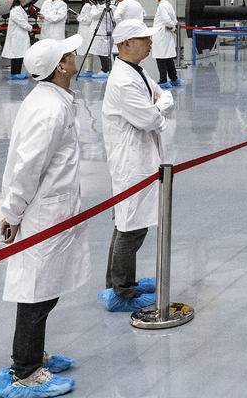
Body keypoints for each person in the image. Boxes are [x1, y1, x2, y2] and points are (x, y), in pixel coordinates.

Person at [0, 35, 91, 398]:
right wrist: (12, 212)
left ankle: (32, 354)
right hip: (43, 212)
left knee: (46, 289)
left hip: (53, 209)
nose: (75, 55)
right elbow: (27, 167)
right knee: (36, 293)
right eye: (69, 54)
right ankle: (26, 370)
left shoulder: (52, 99)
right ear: (60, 67)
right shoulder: (50, 110)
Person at [99, 19, 173, 312]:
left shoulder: (136, 71)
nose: (150, 43)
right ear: (127, 44)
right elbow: (150, 119)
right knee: (131, 226)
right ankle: (122, 291)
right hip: (131, 162)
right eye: (144, 39)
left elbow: (163, 96)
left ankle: (119, 282)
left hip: (141, 157)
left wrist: (158, 106)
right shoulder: (123, 80)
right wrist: (158, 108)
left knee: (129, 222)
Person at [151, 0, 181, 88]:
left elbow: (166, 20)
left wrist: (171, 27)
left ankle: (163, 81)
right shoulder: (168, 5)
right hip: (166, 34)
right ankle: (174, 79)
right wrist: (173, 27)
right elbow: (174, 19)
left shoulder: (162, 6)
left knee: (160, 57)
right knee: (168, 57)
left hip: (161, 34)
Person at [2, 0, 34, 81]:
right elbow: (21, 21)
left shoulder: (19, 8)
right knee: (16, 55)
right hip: (17, 36)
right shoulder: (15, 10)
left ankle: (17, 73)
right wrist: (30, 28)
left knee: (19, 55)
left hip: (20, 35)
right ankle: (14, 73)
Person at [87, 0, 114, 79]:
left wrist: (93, 6)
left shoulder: (107, 7)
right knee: (102, 52)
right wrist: (97, 5)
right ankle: (106, 69)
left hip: (102, 32)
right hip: (104, 32)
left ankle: (105, 70)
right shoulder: (110, 6)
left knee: (103, 52)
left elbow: (94, 16)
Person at [73, 0, 98, 77]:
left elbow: (87, 20)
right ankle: (88, 69)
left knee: (87, 50)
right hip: (85, 30)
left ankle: (88, 70)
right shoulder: (89, 5)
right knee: (87, 50)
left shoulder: (87, 6)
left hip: (86, 30)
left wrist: (78, 17)